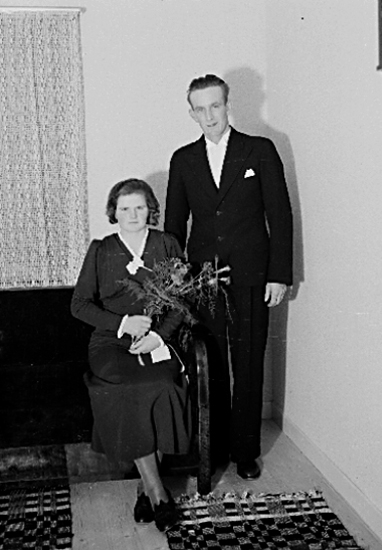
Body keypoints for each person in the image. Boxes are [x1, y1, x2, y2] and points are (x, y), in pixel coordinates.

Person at [164, 74, 293, 480]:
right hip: (204, 282)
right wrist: (178, 279)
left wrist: (279, 275)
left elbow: (280, 216)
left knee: (249, 363)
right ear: (191, 113)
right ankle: (214, 447)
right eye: (200, 109)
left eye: (215, 106)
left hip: (252, 277)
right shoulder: (183, 160)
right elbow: (174, 225)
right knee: (211, 365)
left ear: (227, 105)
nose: (209, 116)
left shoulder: (259, 150)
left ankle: (245, 451)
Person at [71, 178, 191, 532]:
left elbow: (182, 300)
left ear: (150, 210)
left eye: (140, 207)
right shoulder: (101, 250)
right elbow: (79, 304)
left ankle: (146, 489)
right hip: (111, 343)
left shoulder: (166, 244)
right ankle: (158, 494)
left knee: (162, 384)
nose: (133, 215)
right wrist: (123, 323)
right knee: (127, 386)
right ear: (114, 212)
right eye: (125, 208)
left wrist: (157, 337)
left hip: (156, 340)